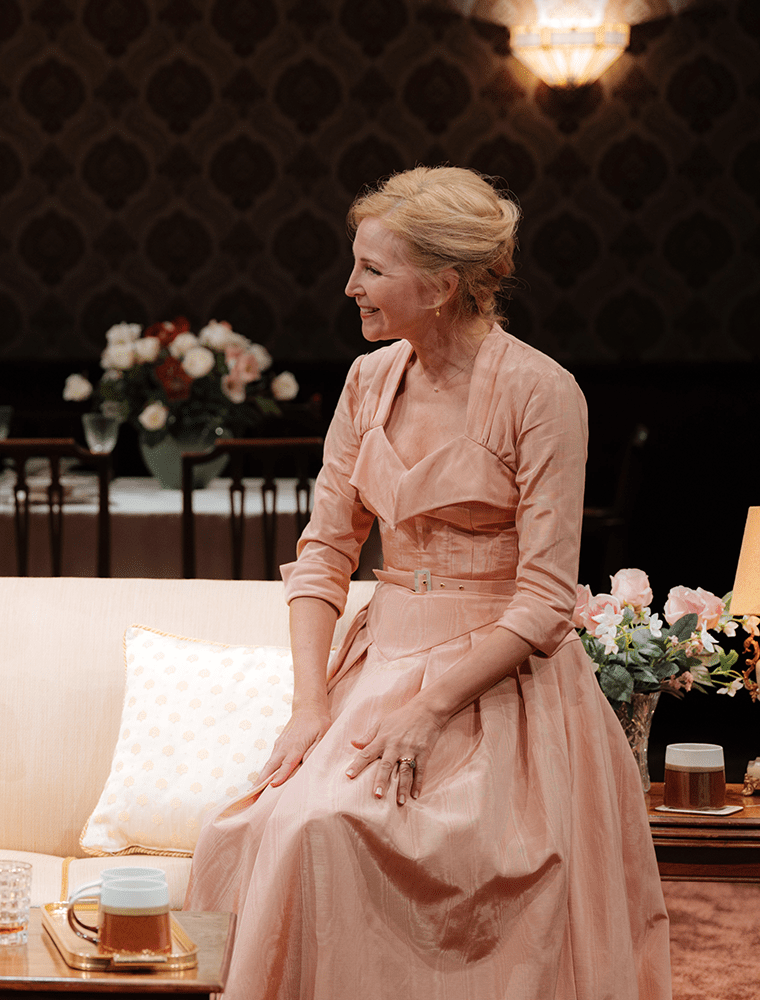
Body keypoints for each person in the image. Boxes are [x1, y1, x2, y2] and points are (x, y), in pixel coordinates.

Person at [185, 167, 670, 998]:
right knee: (251, 828)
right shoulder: (367, 382)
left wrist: (431, 706)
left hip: (497, 682)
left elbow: (545, 599)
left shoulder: (541, 391)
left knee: (334, 830)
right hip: (382, 662)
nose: (350, 287)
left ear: (443, 286)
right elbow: (323, 555)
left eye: (372, 269)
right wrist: (309, 704)